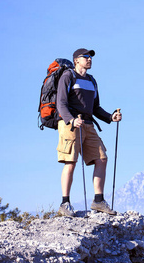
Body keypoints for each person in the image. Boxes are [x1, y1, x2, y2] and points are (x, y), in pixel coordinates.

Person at [56, 48, 122, 217]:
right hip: (70, 124)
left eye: (90, 57)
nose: (89, 59)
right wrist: (71, 120)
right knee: (70, 162)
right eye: (85, 57)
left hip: (88, 124)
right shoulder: (67, 77)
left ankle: (98, 201)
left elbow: (95, 108)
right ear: (76, 60)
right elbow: (61, 104)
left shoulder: (92, 80)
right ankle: (65, 203)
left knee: (101, 158)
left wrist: (110, 117)